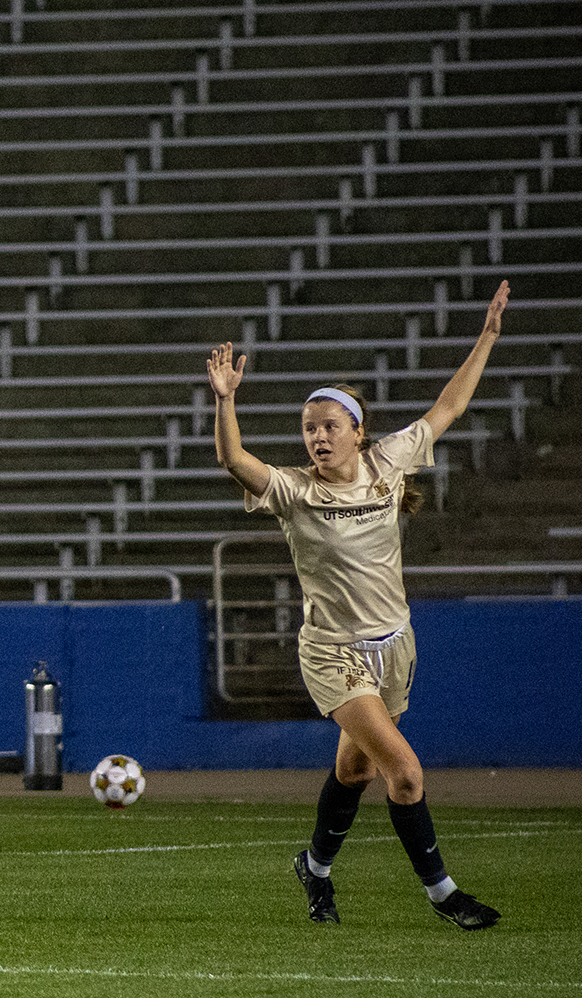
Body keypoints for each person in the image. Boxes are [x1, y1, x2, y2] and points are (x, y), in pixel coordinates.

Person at [208, 281, 510, 931]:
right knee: (403, 771)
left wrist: (485, 337)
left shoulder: (388, 463)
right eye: (309, 427)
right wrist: (226, 402)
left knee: (353, 769)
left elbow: (449, 407)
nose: (318, 436)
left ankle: (313, 869)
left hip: (394, 647)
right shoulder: (291, 491)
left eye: (329, 425)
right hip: (332, 653)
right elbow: (233, 458)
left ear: (356, 430)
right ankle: (445, 896)